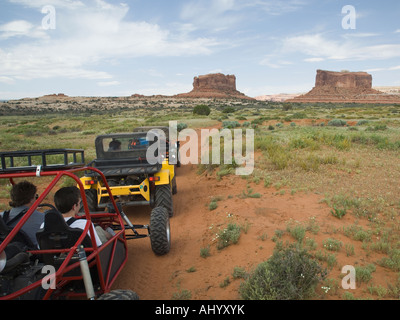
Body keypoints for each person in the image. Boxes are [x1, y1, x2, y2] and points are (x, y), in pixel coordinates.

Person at [0, 181, 44, 248]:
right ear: (31, 199)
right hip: (33, 256)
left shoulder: (1, 217)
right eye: (36, 197)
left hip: (6, 255)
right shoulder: (43, 218)